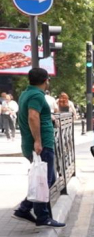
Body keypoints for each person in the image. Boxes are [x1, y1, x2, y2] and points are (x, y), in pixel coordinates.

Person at [12, 68, 65, 228]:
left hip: (35, 143)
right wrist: (38, 141)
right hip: (41, 145)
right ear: (46, 80)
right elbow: (33, 116)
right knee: (44, 181)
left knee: (47, 179)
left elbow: (37, 115)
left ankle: (27, 208)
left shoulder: (25, 93)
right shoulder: (36, 95)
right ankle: (40, 216)